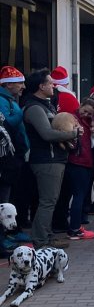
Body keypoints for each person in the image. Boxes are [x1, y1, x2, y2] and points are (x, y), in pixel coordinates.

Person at [22, 69, 80, 249]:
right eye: (50, 82)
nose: (54, 85)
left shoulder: (45, 105)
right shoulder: (35, 108)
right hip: (46, 160)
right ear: (41, 86)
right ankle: (41, 239)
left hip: (53, 159)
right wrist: (73, 133)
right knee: (48, 201)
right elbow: (47, 134)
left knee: (50, 200)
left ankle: (46, 236)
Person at [54, 99, 94, 240]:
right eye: (85, 111)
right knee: (79, 196)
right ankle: (75, 229)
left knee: (66, 195)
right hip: (79, 162)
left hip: (76, 161)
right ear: (80, 106)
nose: (86, 114)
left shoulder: (84, 121)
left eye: (90, 113)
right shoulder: (73, 120)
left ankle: (61, 224)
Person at [0, 66, 29, 206]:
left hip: (14, 156)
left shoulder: (9, 100)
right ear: (9, 84)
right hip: (8, 158)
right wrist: (21, 113)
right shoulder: (2, 100)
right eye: (20, 82)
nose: (24, 86)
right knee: (5, 198)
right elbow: (6, 125)